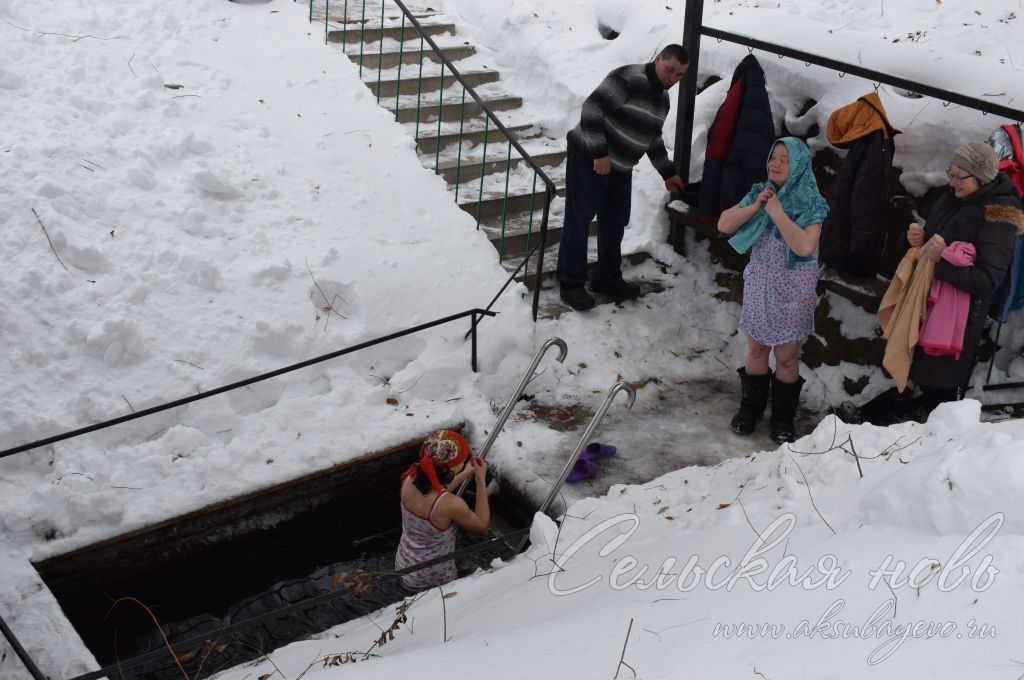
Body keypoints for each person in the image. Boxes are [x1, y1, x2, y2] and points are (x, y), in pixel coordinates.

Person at [842, 141, 1024, 425]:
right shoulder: (957, 197)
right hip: (930, 303)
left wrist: (939, 262)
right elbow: (935, 240)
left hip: (958, 322)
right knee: (917, 372)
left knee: (939, 388)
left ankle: (911, 440)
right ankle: (881, 423)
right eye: (950, 174)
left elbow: (988, 281)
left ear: (982, 177)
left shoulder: (997, 218)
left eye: (959, 177)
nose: (952, 182)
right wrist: (916, 239)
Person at [557, 44, 689, 311]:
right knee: (579, 220)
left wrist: (668, 173)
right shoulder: (628, 78)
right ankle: (571, 284)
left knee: (615, 223)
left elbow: (652, 138)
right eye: (669, 69)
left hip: (621, 169)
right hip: (588, 158)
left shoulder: (662, 100)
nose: (672, 78)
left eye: (679, 75)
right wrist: (599, 153)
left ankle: (606, 277)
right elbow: (592, 109)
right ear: (657, 58)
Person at [717, 137, 829, 443]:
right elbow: (724, 224)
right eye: (773, 157)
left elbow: (805, 246)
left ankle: (782, 419)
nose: (776, 164)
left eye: (784, 159)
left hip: (792, 292)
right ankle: (750, 410)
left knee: (786, 358)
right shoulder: (761, 191)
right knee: (755, 349)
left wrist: (778, 213)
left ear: (798, 166)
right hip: (760, 285)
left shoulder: (811, 203)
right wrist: (756, 206)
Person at [394, 430, 490, 591]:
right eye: (462, 459)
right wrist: (480, 481)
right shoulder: (452, 505)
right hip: (433, 578)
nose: (465, 459)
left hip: (403, 567)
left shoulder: (410, 478)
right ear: (451, 467)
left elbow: (435, 490)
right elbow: (481, 528)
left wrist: (466, 472)